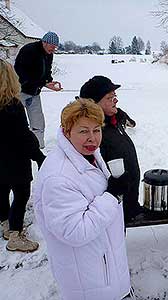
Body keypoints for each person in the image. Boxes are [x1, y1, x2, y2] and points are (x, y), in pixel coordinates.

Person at [32, 98, 134, 300]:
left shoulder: (88, 154)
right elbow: (74, 231)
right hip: (89, 281)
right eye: (83, 131)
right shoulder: (58, 177)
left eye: (97, 130)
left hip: (104, 268)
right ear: (67, 131)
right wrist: (112, 196)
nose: (93, 139)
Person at [80, 76, 141, 224]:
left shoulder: (114, 120)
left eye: (115, 96)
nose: (115, 100)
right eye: (109, 97)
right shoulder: (94, 134)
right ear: (94, 104)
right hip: (112, 206)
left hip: (127, 199)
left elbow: (120, 115)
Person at [0, 59, 45, 252]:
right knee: (21, 195)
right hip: (16, 161)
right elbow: (24, 135)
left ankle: (4, 222)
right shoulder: (12, 106)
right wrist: (38, 156)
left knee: (0, 190)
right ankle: (15, 235)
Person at [14, 31, 63, 148]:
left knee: (38, 122)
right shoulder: (29, 51)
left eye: (55, 47)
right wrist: (44, 83)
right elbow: (22, 74)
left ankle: (37, 148)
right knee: (16, 121)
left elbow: (47, 71)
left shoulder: (49, 54)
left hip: (35, 92)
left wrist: (49, 81)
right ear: (44, 43)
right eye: (52, 46)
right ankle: (14, 146)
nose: (54, 49)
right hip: (19, 92)